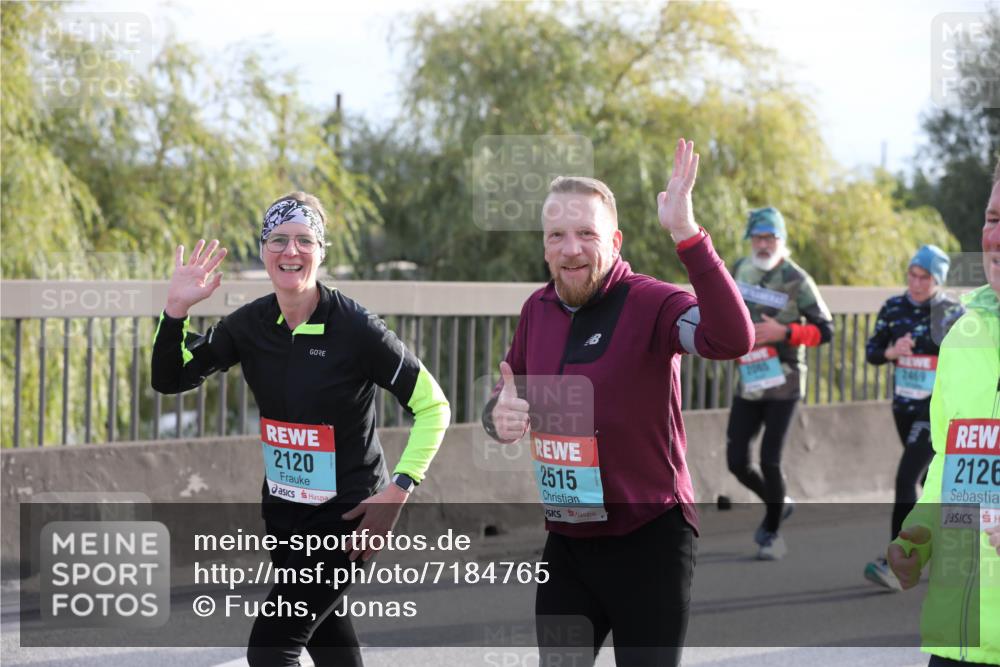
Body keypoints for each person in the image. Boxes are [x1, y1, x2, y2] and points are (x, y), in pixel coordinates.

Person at [482, 139, 754, 667]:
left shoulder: (653, 302)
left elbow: (732, 339)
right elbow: (508, 391)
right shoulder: (537, 308)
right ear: (544, 246)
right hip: (567, 539)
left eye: (587, 234)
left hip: (649, 537)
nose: (571, 249)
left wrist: (687, 234)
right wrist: (498, 416)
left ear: (615, 240)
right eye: (557, 236)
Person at [150, 192, 450, 667]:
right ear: (263, 250)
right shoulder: (249, 325)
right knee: (329, 644)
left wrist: (399, 490)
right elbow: (171, 379)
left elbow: (433, 407)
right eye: (278, 240)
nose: (291, 251)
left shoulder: (356, 329)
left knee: (271, 649)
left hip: (347, 518)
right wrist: (174, 312)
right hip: (284, 515)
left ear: (321, 251)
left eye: (305, 240)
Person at [888, 160, 1000, 666]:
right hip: (957, 633)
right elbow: (952, 465)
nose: (996, 237)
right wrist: (923, 534)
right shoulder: (963, 336)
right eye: (993, 219)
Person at [725, 206, 834, 560]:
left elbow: (825, 330)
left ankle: (772, 534)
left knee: (770, 460)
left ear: (781, 240)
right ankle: (779, 503)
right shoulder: (739, 269)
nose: (763, 244)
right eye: (757, 237)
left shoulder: (797, 279)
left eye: (770, 238)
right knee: (737, 461)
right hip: (749, 379)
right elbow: (723, 308)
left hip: (785, 381)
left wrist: (784, 332)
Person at [862, 245, 963, 591]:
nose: (917, 283)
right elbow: (873, 352)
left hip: (935, 409)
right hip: (903, 406)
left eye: (925, 278)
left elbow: (968, 360)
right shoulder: (893, 307)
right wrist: (892, 351)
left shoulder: (953, 313)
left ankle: (898, 562)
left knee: (905, 478)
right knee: (926, 482)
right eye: (912, 275)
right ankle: (943, 547)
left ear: (938, 280)